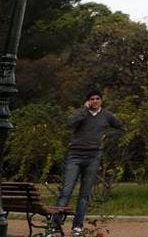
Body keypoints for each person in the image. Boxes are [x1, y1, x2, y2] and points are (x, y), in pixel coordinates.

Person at [54, 89, 125, 235]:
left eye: (97, 99)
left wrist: (107, 136)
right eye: (92, 99)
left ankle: (77, 226)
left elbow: (121, 128)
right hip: (75, 155)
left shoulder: (107, 115)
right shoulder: (82, 113)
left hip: (93, 157)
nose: (95, 101)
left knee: (85, 194)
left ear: (101, 100)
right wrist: (83, 109)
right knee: (66, 191)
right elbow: (70, 123)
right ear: (88, 101)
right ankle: (55, 224)